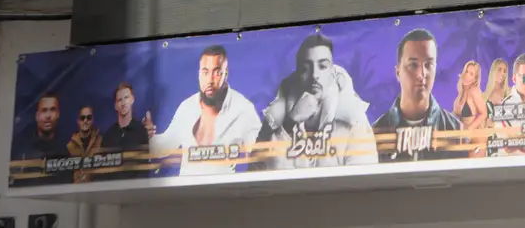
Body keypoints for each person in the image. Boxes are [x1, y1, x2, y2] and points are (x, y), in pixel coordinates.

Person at [259, 33, 377, 167]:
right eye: (306, 68)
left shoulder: (354, 122)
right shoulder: (275, 118)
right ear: (297, 74)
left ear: (332, 72)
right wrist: (290, 122)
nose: (314, 75)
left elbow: (364, 179)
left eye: (322, 66)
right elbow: (261, 173)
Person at [151, 45, 262, 176]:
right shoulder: (187, 107)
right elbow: (167, 143)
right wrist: (144, 139)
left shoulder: (242, 109)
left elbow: (261, 152)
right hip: (186, 192)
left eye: (217, 72)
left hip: (222, 192)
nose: (210, 80)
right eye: (205, 72)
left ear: (226, 74)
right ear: (199, 74)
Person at [372, 28, 465, 161]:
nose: (422, 74)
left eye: (428, 65)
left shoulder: (456, 131)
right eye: (413, 65)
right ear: (398, 72)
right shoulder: (376, 134)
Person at [100, 82, 154, 178]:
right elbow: (102, 170)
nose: (123, 103)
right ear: (115, 105)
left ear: (132, 99)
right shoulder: (108, 135)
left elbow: (144, 169)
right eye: (120, 100)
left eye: (126, 98)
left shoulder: (141, 131)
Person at [15, 94, 70, 175]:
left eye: (52, 110)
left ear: (58, 114)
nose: (48, 116)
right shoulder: (23, 151)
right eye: (44, 110)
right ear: (37, 116)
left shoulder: (68, 148)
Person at [67, 106, 104, 183]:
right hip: (76, 191)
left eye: (89, 118)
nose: (85, 121)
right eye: (82, 118)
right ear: (78, 121)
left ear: (93, 120)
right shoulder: (70, 146)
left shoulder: (101, 141)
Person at [451, 60, 489, 129]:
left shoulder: (474, 91)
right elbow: (455, 115)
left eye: (471, 74)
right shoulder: (461, 91)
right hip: (461, 134)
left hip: (472, 135)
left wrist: (469, 129)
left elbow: (484, 113)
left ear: (474, 79)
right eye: (466, 71)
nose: (466, 76)